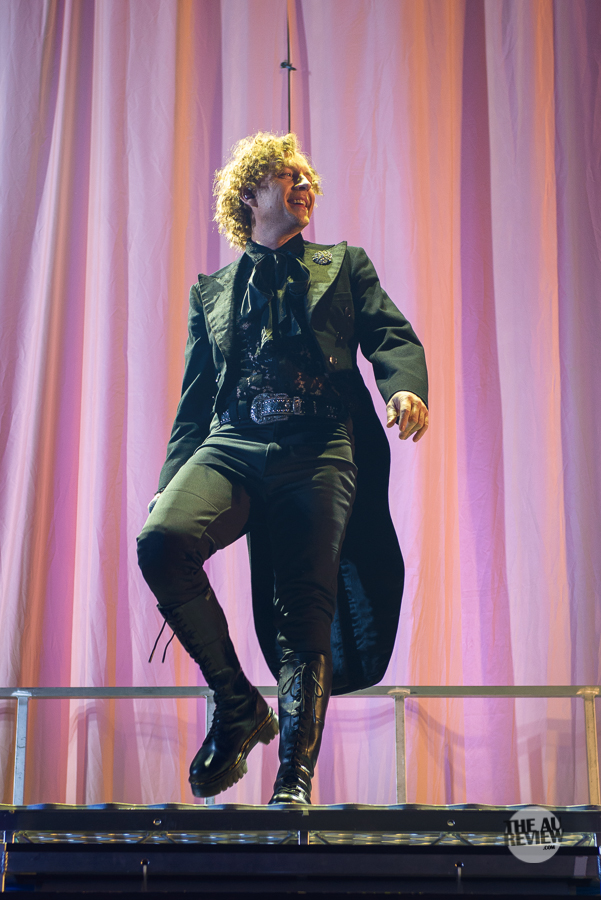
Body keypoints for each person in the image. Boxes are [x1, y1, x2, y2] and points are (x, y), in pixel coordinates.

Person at [137, 132, 428, 805]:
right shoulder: (211, 291)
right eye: (288, 175)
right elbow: (194, 402)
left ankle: (293, 779)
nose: (305, 186)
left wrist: (403, 388)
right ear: (250, 192)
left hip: (320, 446)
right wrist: (169, 485)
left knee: (305, 608)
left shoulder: (343, 263)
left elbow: (390, 335)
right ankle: (237, 703)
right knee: (162, 541)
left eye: (308, 178)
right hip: (233, 442)